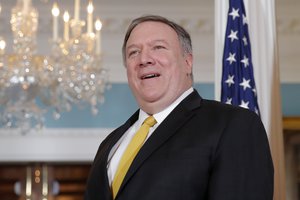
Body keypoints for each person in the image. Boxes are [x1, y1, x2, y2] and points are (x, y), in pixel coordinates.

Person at [84, 15, 274, 200]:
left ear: (187, 62)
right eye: (133, 52)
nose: (144, 59)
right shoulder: (110, 144)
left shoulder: (233, 125)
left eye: (158, 47)